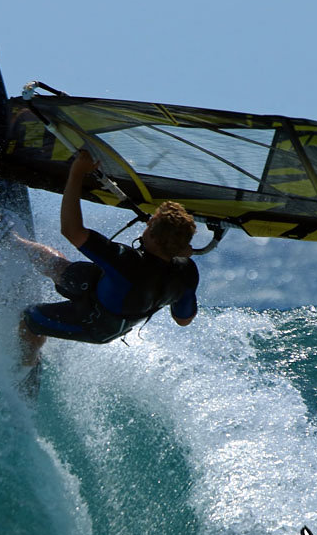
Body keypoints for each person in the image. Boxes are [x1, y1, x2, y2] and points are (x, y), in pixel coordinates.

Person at [13, 150, 199, 390]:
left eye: (150, 222)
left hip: (97, 324)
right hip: (102, 290)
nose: (146, 223)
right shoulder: (186, 272)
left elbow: (71, 230)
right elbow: (183, 319)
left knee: (29, 319)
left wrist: (77, 173)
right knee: (65, 268)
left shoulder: (127, 261)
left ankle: (24, 372)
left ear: (153, 235)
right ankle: (14, 241)